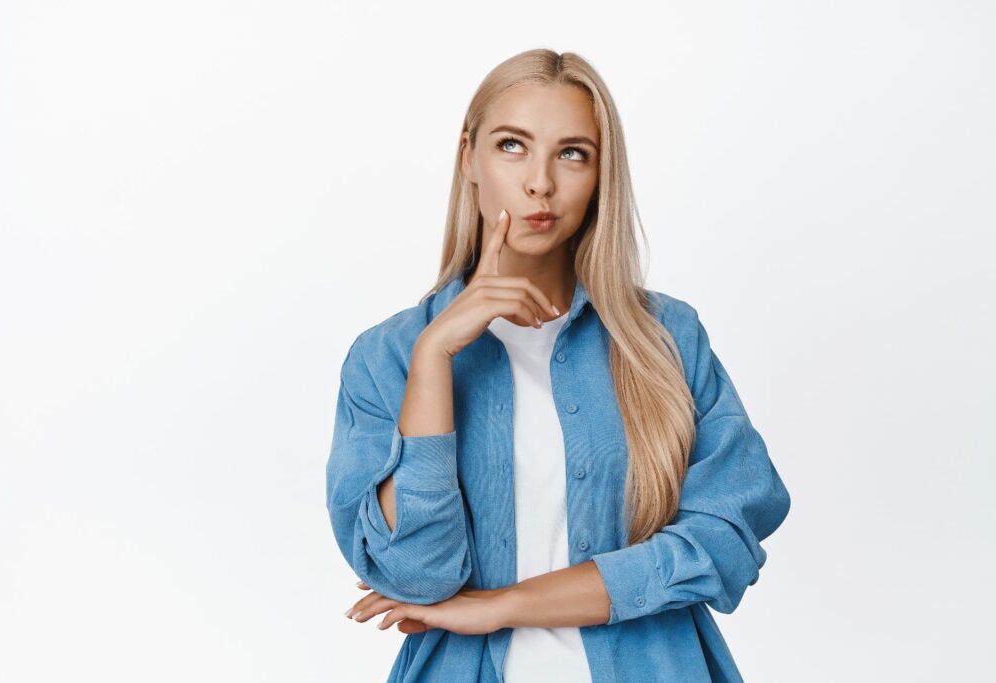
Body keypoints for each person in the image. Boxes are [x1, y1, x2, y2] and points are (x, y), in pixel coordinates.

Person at [325, 48, 791, 683]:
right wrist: (434, 359)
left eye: (572, 153)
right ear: (469, 156)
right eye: (512, 145)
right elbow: (414, 574)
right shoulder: (388, 358)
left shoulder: (667, 338)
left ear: (601, 175)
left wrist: (503, 606)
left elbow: (725, 537)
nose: (540, 182)